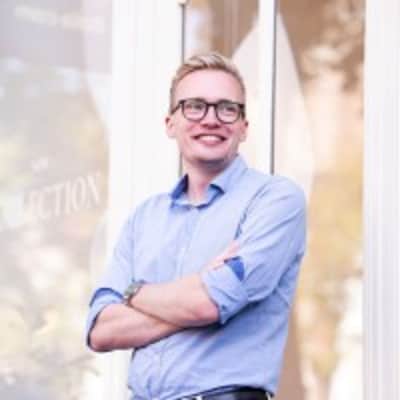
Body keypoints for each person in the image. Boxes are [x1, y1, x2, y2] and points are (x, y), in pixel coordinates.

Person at [86, 52, 306, 400]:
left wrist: (135, 292)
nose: (211, 119)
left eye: (227, 108)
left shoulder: (274, 200)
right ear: (170, 123)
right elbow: (102, 331)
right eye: (195, 106)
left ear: (244, 127)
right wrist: (198, 288)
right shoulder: (144, 218)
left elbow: (207, 304)